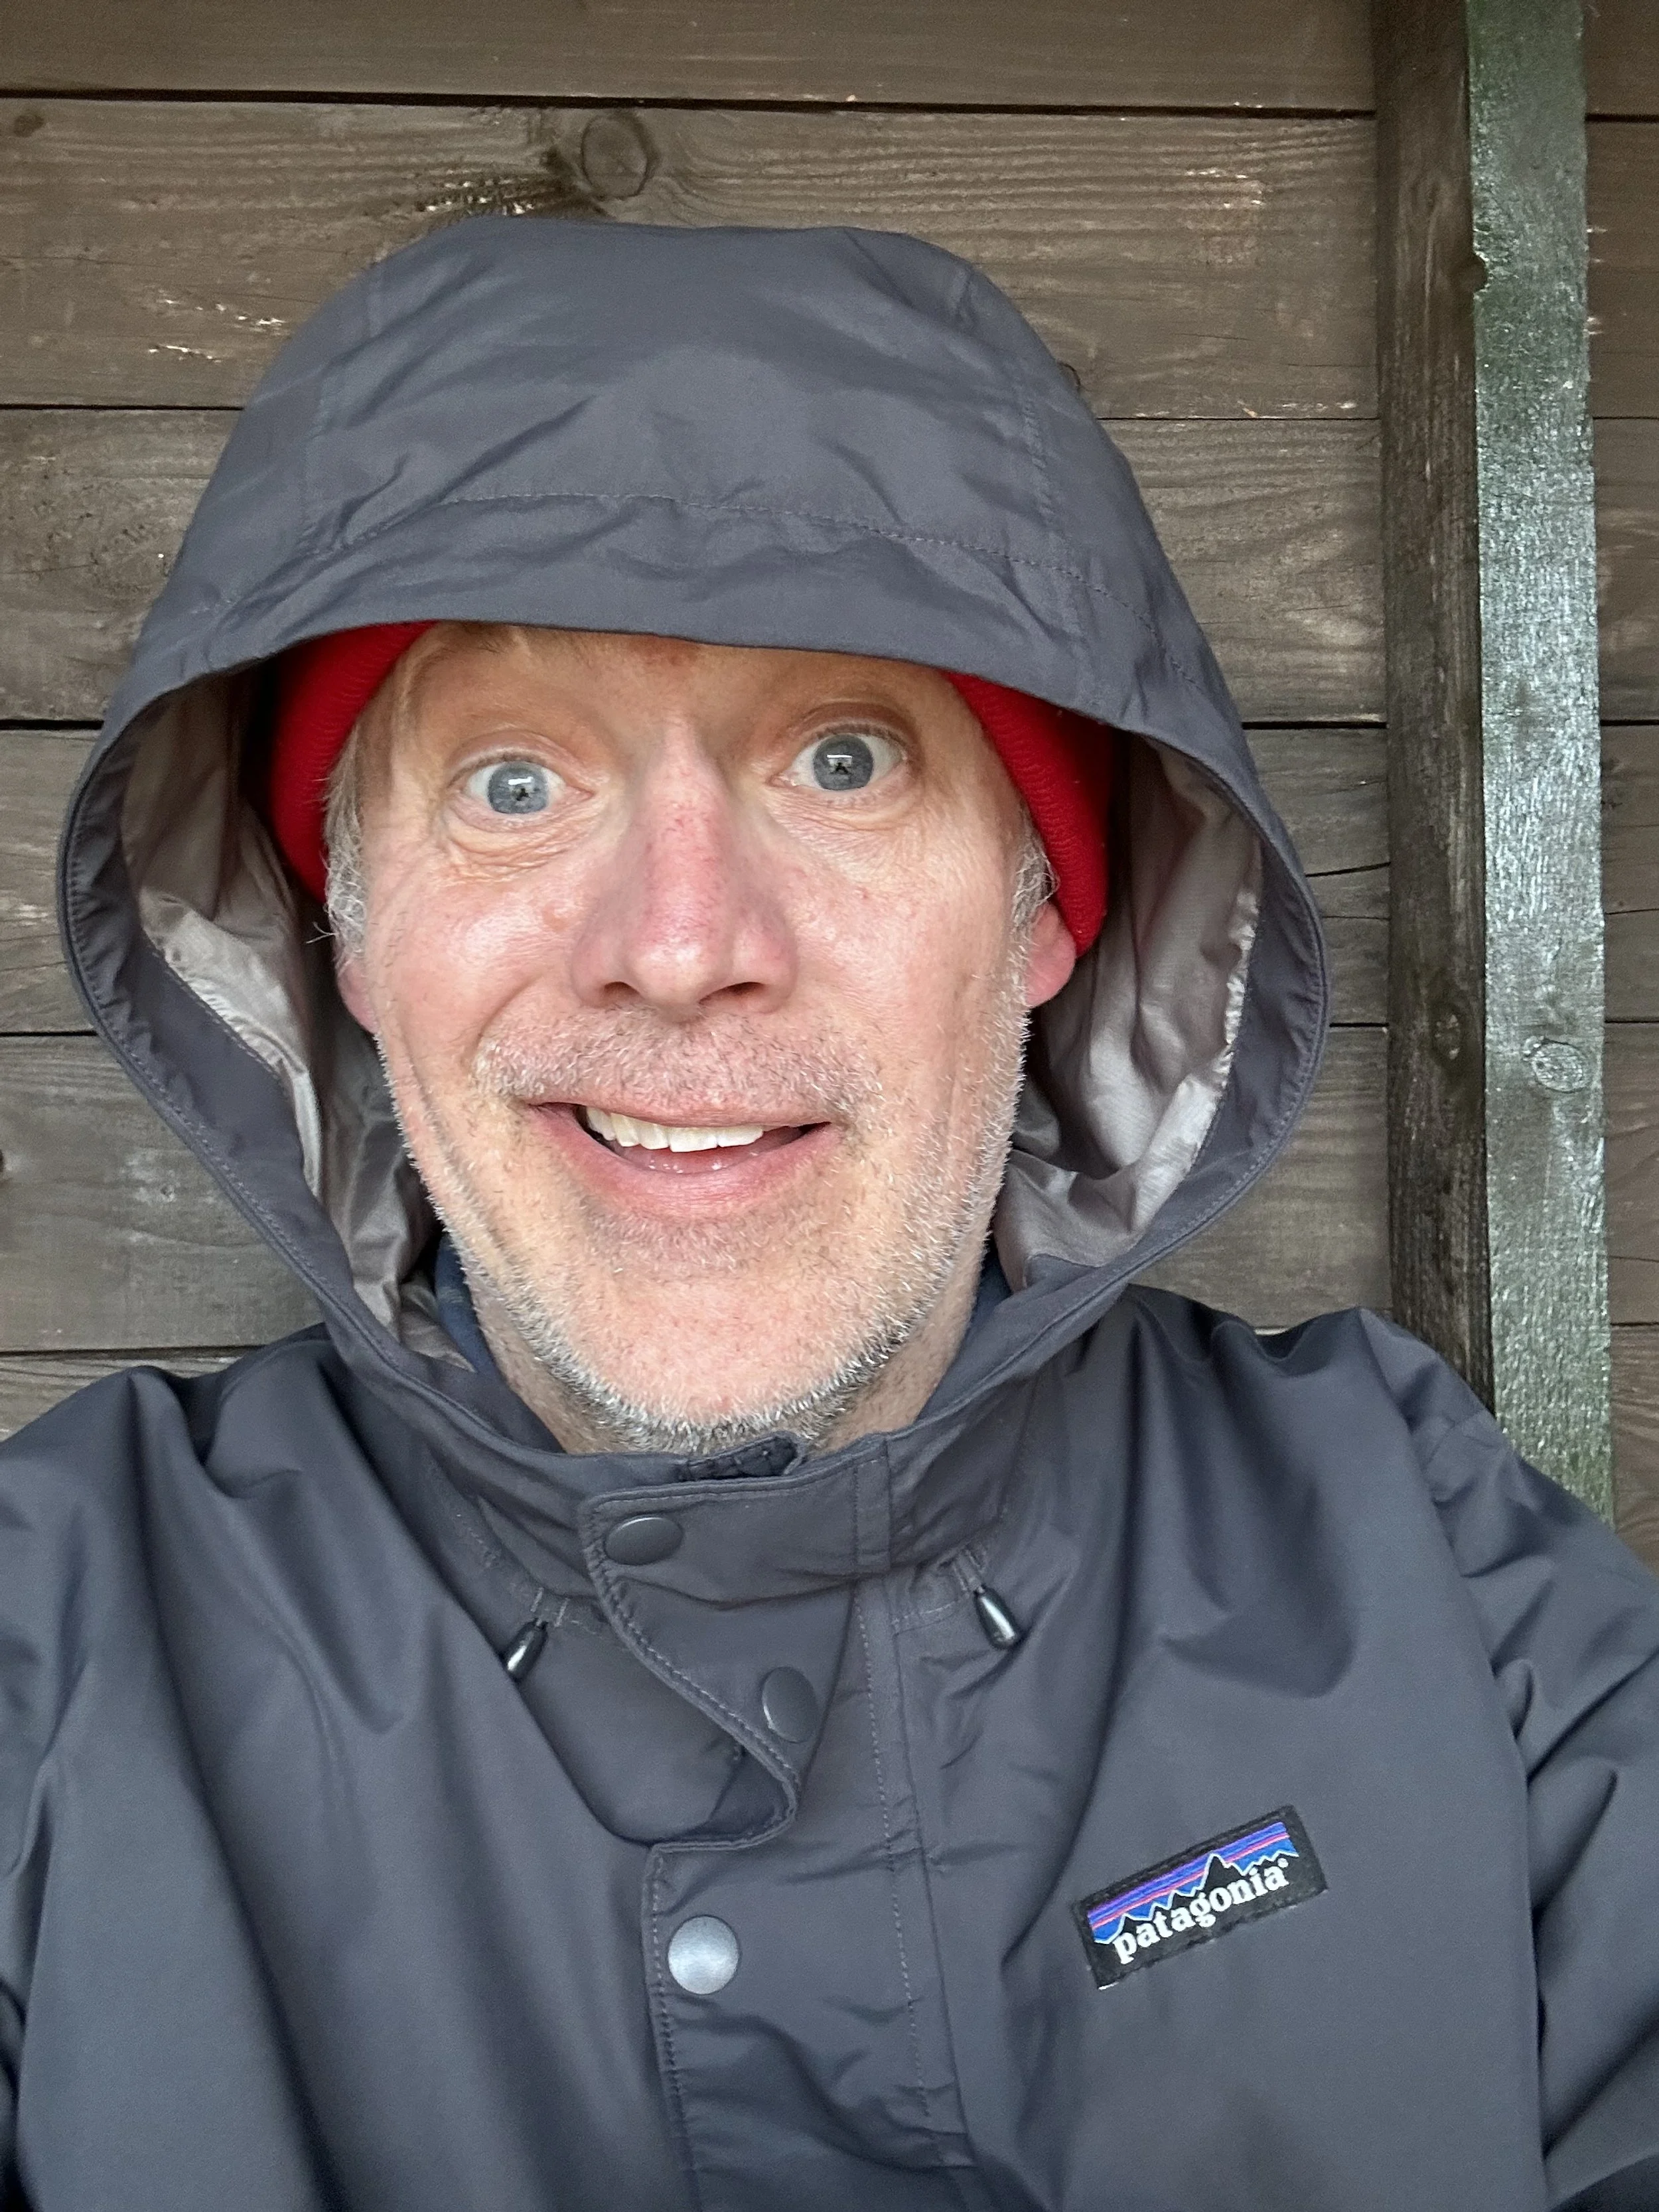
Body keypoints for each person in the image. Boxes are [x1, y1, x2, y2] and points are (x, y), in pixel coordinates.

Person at [5, 213, 1655, 2211]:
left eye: (844, 757)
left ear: (1050, 905)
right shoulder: (58, 1648)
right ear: (346, 936)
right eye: (513, 784)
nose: (682, 947)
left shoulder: (1442, 1589)